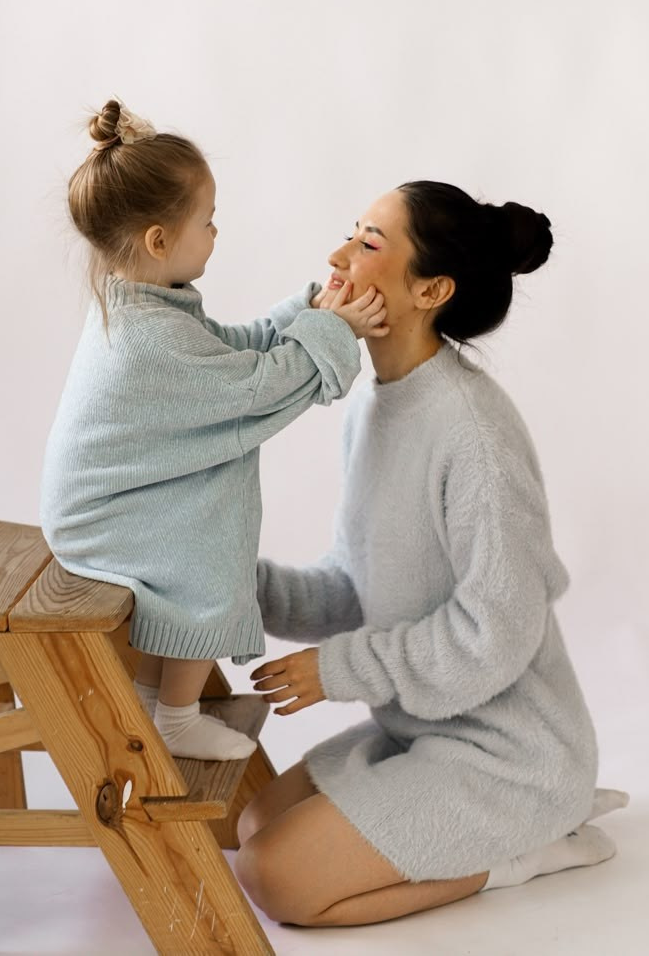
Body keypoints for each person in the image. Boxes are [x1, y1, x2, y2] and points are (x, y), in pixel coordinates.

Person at [235, 181, 628, 926]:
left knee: (277, 878)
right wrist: (233, 584)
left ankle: (531, 844)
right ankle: (483, 831)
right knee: (252, 827)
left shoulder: (473, 432)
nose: (338, 257)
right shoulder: (376, 406)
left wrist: (341, 669)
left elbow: (498, 631)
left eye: (368, 243)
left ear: (432, 290)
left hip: (512, 756)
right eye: (351, 233)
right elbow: (359, 587)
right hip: (422, 727)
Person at [39, 98, 388, 761]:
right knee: (210, 543)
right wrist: (336, 330)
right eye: (208, 221)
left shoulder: (146, 304)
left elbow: (233, 351)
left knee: (213, 488)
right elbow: (251, 388)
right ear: (159, 240)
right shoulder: (148, 342)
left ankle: (150, 694)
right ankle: (175, 714)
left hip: (109, 499)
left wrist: (309, 312)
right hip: (102, 519)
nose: (216, 233)